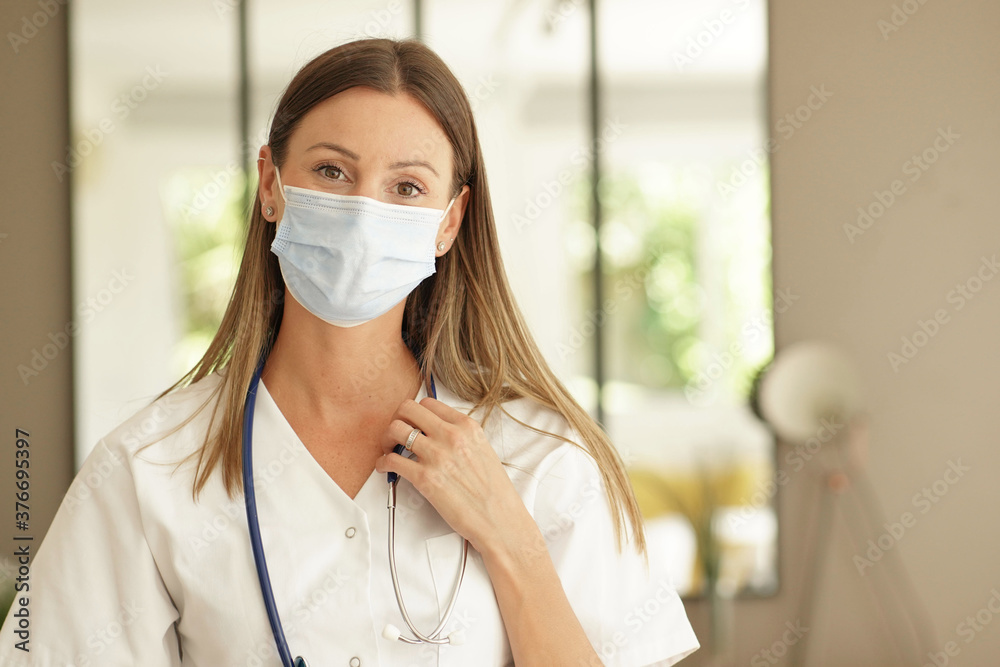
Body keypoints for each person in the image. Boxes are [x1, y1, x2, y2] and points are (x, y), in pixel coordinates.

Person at [0, 38, 699, 666]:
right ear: (272, 184)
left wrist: (512, 541)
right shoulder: (147, 468)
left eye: (407, 187)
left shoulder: (542, 458)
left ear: (448, 222)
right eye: (333, 172)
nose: (366, 211)